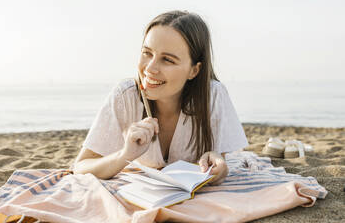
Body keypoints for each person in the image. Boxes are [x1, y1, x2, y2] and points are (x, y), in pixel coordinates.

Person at [73, 10, 248, 185]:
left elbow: (221, 161)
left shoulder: (213, 96)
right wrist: (125, 154)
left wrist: (218, 164)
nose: (150, 69)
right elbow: (81, 166)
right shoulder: (125, 96)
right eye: (147, 53)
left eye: (167, 60)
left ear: (194, 70)